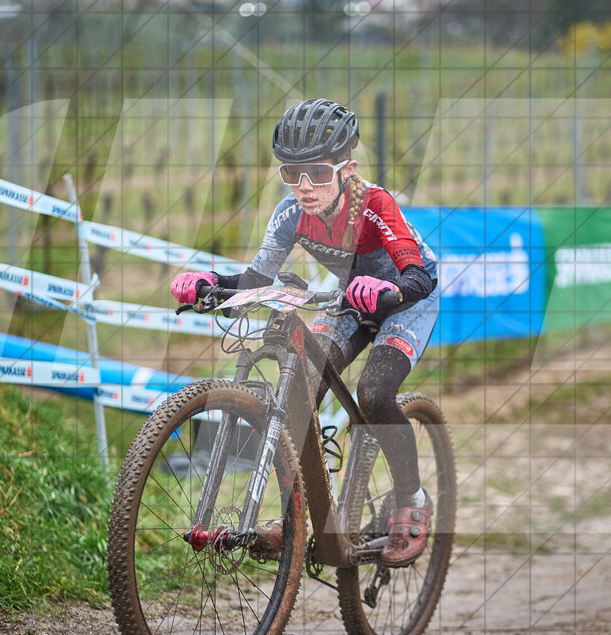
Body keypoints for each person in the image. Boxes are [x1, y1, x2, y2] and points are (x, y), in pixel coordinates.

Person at [171, 98, 440, 567]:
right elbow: (256, 279)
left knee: (374, 393)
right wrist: (210, 283)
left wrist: (390, 291)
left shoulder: (375, 204)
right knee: (302, 386)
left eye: (317, 173)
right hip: (347, 299)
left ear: (347, 169)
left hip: (406, 299)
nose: (304, 186)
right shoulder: (289, 214)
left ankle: (413, 501)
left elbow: (419, 277)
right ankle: (298, 513)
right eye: (292, 174)